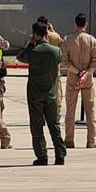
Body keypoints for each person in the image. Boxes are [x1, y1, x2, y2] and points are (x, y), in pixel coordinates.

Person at [17, 22, 66, 165]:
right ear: (46, 33)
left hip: (35, 94)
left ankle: (42, 156)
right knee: (54, 125)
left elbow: (20, 57)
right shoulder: (56, 51)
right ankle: (60, 154)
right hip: (51, 93)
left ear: (35, 34)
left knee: (37, 126)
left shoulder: (33, 51)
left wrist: (29, 44)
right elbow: (60, 59)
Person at [60, 13, 96, 149]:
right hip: (88, 79)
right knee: (90, 111)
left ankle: (69, 140)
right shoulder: (91, 40)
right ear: (86, 24)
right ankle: (91, 140)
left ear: (75, 24)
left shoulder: (67, 40)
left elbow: (64, 62)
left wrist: (77, 72)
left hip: (73, 77)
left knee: (70, 110)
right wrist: (86, 73)